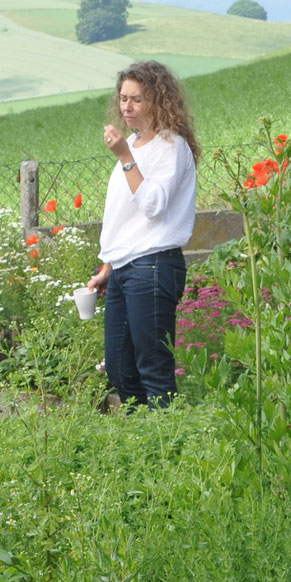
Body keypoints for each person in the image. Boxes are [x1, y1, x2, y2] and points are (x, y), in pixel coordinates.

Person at [85, 61, 199, 406]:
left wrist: (124, 156)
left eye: (136, 99)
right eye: (123, 99)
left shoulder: (171, 147)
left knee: (153, 368)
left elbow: (153, 205)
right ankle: (142, 441)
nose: (126, 107)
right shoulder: (135, 144)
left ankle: (169, 446)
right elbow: (123, 217)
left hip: (153, 265)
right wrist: (107, 267)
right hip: (124, 269)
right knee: (120, 369)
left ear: (158, 100)